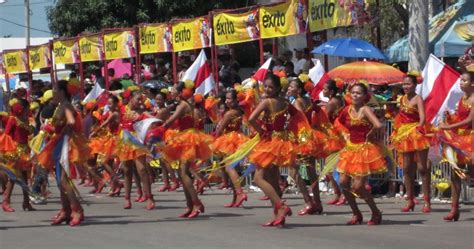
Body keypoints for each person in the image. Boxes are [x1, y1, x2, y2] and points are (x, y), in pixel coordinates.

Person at [247, 74, 302, 227]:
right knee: (272, 180)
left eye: (271, 87)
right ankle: (278, 215)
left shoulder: (267, 102)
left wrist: (261, 131)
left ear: (278, 88)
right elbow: (297, 117)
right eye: (266, 86)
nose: (268, 89)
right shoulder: (285, 102)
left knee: (258, 178)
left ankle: (281, 206)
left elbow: (251, 119)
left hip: (270, 142)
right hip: (282, 142)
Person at [37, 80, 91, 226]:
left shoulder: (66, 105)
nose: (53, 92)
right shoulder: (60, 106)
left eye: (55, 89)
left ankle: (77, 210)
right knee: (61, 180)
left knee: (63, 180)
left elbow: (72, 121)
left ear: (62, 92)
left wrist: (61, 128)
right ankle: (66, 210)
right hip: (59, 144)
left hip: (64, 145)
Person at [336, 83, 386, 225]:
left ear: (365, 96)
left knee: (358, 187)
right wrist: (344, 135)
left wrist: (369, 135)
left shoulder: (365, 109)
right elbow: (338, 123)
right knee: (343, 183)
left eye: (358, 93)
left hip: (364, 150)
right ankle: (356, 213)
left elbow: (378, 125)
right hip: (350, 149)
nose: (355, 95)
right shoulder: (347, 109)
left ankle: (375, 211)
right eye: (353, 92)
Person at [161, 82, 213, 218]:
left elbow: (171, 120)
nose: (171, 93)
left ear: (180, 93)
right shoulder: (187, 105)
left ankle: (196, 203)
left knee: (184, 173)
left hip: (187, 139)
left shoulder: (183, 105)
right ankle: (190, 205)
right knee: (182, 172)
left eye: (173, 91)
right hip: (187, 138)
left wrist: (157, 128)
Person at [391, 74, 432, 213]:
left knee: (422, 168)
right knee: (407, 168)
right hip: (404, 135)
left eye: (408, 84)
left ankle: (427, 200)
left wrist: (419, 129)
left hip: (416, 133)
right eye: (403, 84)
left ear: (415, 85)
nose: (405, 86)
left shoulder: (418, 98)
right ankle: (410, 200)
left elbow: (422, 118)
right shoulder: (401, 99)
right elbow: (400, 117)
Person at [438, 71, 473, 222]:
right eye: (461, 80)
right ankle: (454, 209)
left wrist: (447, 127)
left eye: (464, 80)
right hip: (460, 138)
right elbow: (460, 118)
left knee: (471, 174)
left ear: (472, 83)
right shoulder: (462, 99)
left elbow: (469, 120)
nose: (461, 83)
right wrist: (449, 119)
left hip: (471, 138)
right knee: (455, 173)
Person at [286, 78, 323, 215]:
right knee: (312, 171)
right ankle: (317, 203)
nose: (289, 88)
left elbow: (300, 119)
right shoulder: (309, 101)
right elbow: (319, 111)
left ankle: (309, 202)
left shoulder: (297, 102)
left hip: (301, 138)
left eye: (292, 86)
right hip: (310, 137)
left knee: (293, 171)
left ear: (299, 90)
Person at [213, 89, 249, 207]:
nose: (227, 101)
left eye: (229, 99)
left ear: (235, 100)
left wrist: (214, 140)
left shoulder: (229, 113)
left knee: (229, 168)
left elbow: (219, 130)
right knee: (231, 168)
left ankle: (240, 193)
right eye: (226, 99)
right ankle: (235, 198)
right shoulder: (239, 110)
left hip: (229, 140)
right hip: (238, 138)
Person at [321, 79, 347, 206]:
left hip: (335, 136)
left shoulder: (331, 103)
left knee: (331, 167)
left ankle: (342, 193)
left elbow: (324, 120)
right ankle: (338, 193)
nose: (323, 91)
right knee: (334, 166)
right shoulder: (340, 99)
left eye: (325, 89)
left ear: (331, 91)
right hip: (340, 134)